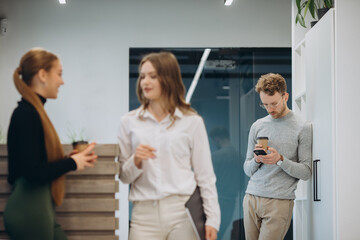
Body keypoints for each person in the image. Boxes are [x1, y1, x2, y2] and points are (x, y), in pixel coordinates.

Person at [118, 52, 220, 240]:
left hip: (183, 212)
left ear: (168, 79)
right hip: (143, 215)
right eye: (142, 76)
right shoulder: (129, 122)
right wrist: (136, 160)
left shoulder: (192, 122)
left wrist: (212, 219)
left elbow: (205, 176)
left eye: (153, 76)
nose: (145, 82)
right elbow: (124, 176)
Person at [4, 48, 98, 240]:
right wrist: (72, 163)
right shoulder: (26, 114)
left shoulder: (31, 112)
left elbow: (34, 164)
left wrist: (71, 160)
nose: (62, 81)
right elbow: (33, 172)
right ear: (42, 75)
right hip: (30, 210)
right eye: (59, 74)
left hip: (39, 208)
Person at [243, 73, 312, 240]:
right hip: (251, 197)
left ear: (285, 96)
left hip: (279, 201)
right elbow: (247, 167)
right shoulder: (257, 126)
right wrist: (257, 160)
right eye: (265, 104)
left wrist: (280, 160)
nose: (270, 109)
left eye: (274, 103)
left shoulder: (303, 127)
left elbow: (306, 171)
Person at [209, 127, 241, 240]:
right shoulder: (239, 156)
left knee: (211, 234)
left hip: (217, 200)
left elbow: (208, 180)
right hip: (231, 201)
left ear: (216, 139)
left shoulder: (216, 156)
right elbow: (242, 183)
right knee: (220, 233)